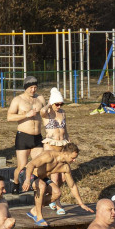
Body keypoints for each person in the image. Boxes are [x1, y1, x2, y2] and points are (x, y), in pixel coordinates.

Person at [21, 143, 93, 225]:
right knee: (42, 185)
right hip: (26, 174)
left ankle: (34, 210)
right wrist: (27, 180)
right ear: (65, 154)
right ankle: (39, 216)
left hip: (41, 178)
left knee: (57, 193)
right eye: (72, 158)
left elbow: (72, 186)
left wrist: (81, 203)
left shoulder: (65, 167)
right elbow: (31, 164)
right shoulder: (49, 155)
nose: (74, 160)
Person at [7, 75, 46, 192]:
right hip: (23, 136)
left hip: (38, 137)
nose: (33, 90)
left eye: (35, 87)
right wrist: (26, 115)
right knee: (22, 166)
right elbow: (9, 117)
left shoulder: (41, 99)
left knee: (38, 164)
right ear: (25, 87)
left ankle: (36, 186)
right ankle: (16, 183)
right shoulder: (18, 100)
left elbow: (46, 114)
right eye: (31, 88)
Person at [40, 86, 70, 214]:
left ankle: (52, 198)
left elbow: (66, 130)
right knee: (55, 176)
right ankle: (58, 204)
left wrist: (68, 146)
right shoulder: (47, 114)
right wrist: (49, 103)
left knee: (62, 177)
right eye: (57, 104)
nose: (59, 106)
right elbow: (41, 111)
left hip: (61, 145)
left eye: (61, 104)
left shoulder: (62, 113)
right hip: (50, 146)